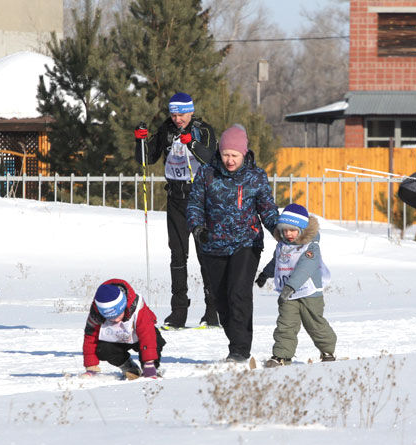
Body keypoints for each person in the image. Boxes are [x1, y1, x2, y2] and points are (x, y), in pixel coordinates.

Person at [187, 124, 279, 362]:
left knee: (238, 293)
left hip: (246, 243)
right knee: (221, 299)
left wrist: (278, 229)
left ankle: (240, 350)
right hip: (213, 244)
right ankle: (235, 342)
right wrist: (198, 228)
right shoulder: (207, 173)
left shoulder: (256, 176)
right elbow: (195, 204)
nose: (230, 160)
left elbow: (267, 209)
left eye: (234, 155)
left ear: (244, 153)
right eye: (226, 154)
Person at [134, 92, 219, 329]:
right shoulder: (166, 129)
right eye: (173, 114)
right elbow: (146, 159)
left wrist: (191, 142)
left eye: (181, 113)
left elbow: (212, 159)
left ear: (190, 111)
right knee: (178, 255)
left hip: (201, 199)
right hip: (175, 198)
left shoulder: (204, 129)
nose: (177, 118)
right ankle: (178, 313)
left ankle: (213, 312)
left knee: (206, 254)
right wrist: (140, 140)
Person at [255, 203, 337, 367]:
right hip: (288, 294)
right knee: (285, 324)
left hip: (309, 293)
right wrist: (265, 274)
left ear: (302, 229)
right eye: (285, 230)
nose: (288, 234)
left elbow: (305, 268)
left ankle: (327, 351)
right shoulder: (282, 245)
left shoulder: (310, 247)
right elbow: (278, 262)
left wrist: (291, 287)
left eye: (292, 230)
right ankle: (282, 356)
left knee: (314, 323)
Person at [82, 279, 165, 379]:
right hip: (117, 340)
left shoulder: (138, 307)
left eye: (118, 315)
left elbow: (147, 335)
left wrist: (149, 363)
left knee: (155, 339)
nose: (116, 320)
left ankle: (151, 368)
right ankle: (129, 367)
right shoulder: (96, 314)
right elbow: (90, 337)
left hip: (139, 337)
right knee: (101, 349)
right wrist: (90, 367)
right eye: (110, 318)